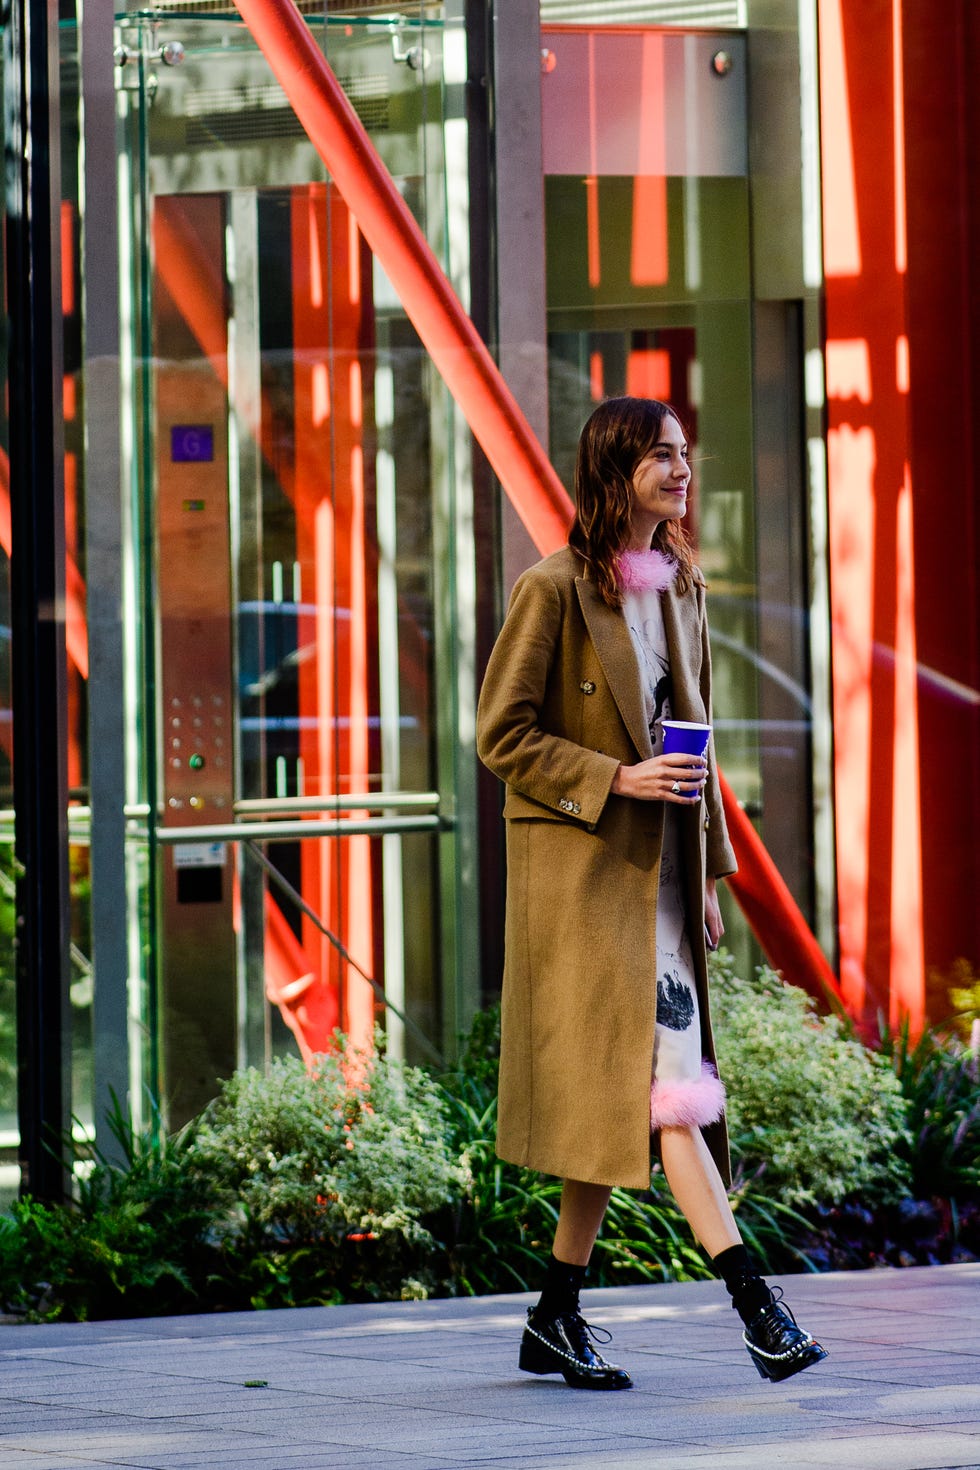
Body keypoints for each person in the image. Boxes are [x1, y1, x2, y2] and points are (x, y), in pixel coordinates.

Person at [476, 396, 827, 1391]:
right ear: (616, 467)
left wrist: (707, 875)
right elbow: (499, 735)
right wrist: (612, 779)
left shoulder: (678, 588)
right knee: (671, 1090)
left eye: (683, 453)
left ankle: (552, 1315)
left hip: (664, 884)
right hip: (588, 887)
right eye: (661, 455)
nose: (681, 469)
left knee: (624, 1095)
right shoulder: (549, 590)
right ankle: (756, 1307)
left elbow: (695, 739)